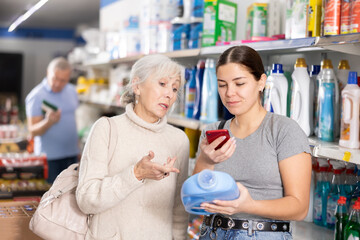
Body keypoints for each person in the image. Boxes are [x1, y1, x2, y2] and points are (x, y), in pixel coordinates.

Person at [193, 46, 312, 240]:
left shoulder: (284, 130)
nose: (229, 93)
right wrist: (206, 161)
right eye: (222, 85)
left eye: (239, 83)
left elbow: (299, 207)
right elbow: (197, 200)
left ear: (261, 82)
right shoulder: (212, 132)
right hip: (212, 232)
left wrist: (248, 206)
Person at [76, 54, 190, 240]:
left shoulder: (179, 140)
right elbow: (86, 199)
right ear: (137, 86)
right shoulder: (107, 129)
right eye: (162, 84)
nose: (169, 94)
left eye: (175, 88)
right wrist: (135, 174)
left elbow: (179, 209)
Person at [25, 57, 79, 183]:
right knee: (52, 199)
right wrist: (48, 122)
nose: (57, 84)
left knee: (71, 196)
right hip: (50, 159)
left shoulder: (72, 91)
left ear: (69, 78)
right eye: (55, 78)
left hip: (72, 155)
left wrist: (78, 150)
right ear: (48, 72)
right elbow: (32, 131)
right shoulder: (36, 96)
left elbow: (72, 121)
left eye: (63, 80)